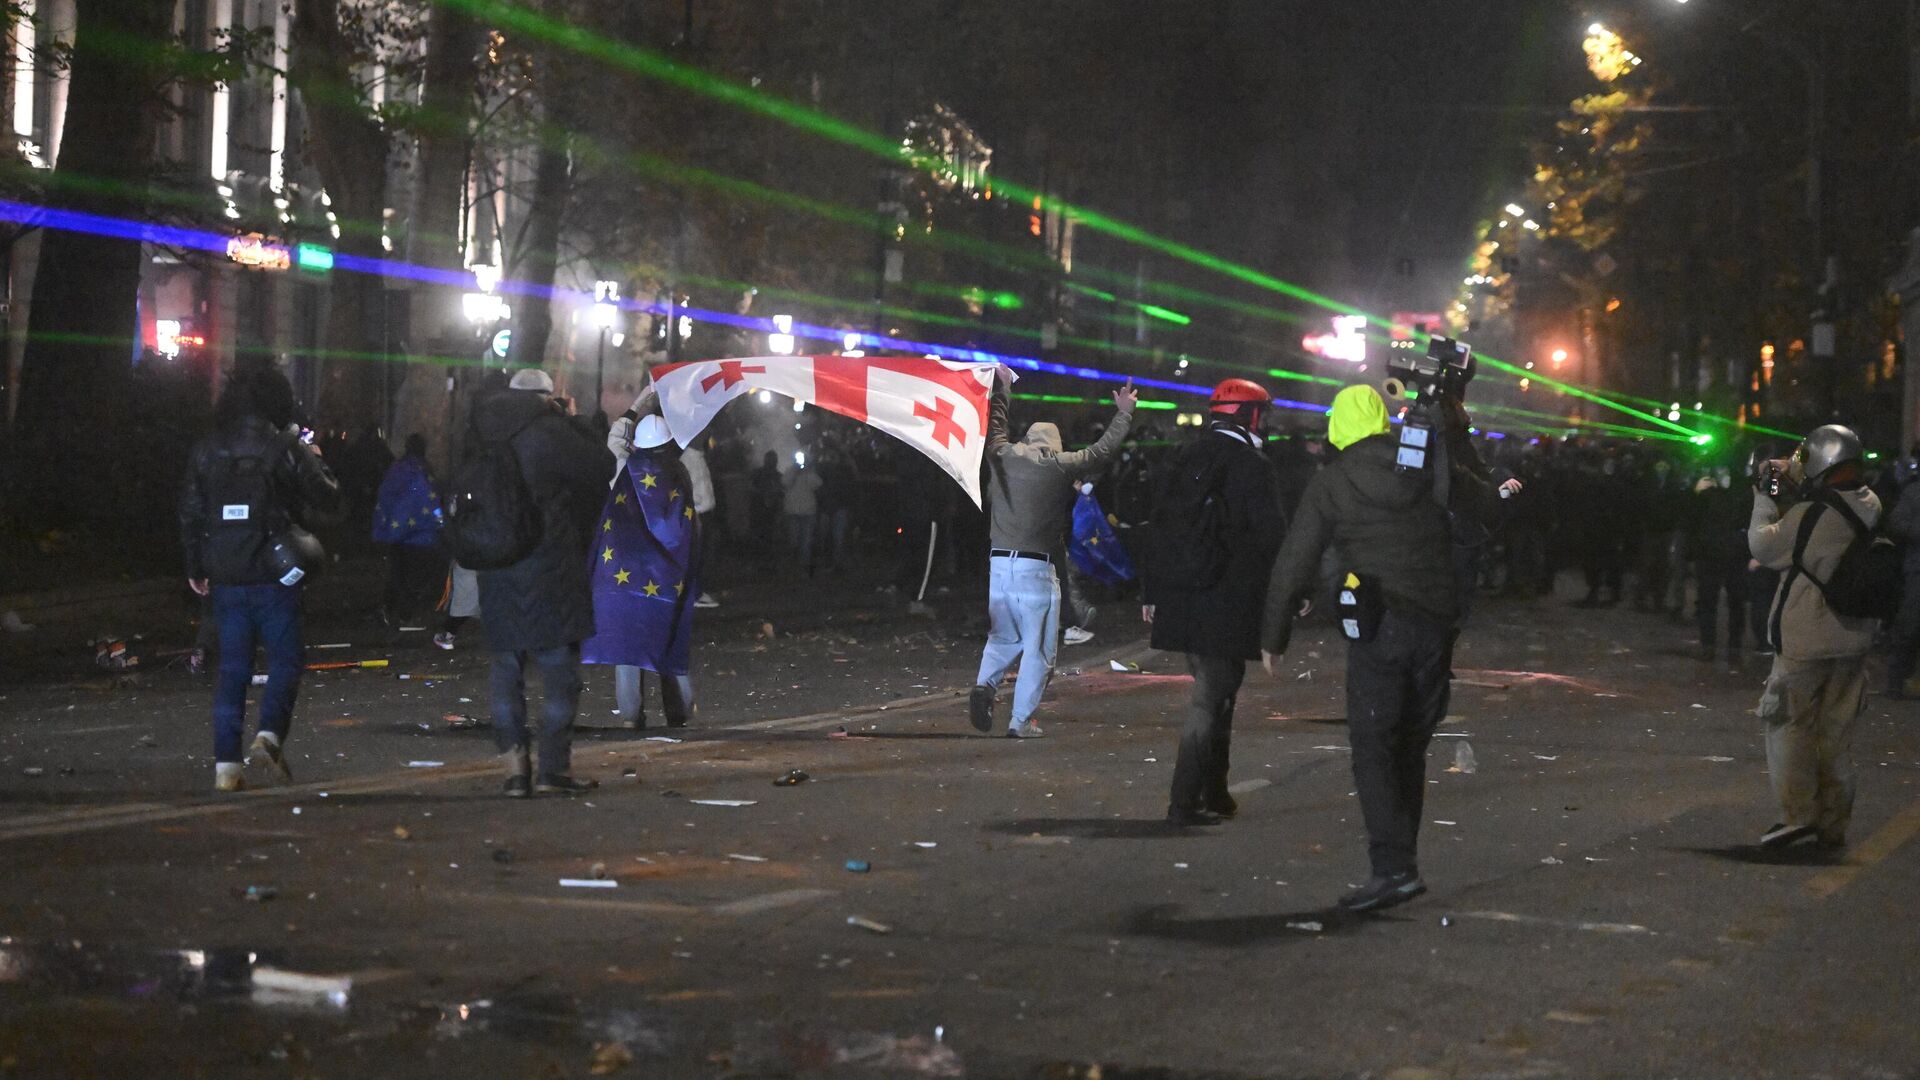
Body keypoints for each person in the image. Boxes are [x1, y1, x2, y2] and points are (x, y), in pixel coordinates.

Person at [1260, 385, 1459, 912]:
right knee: (1411, 745)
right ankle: (1402, 862)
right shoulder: (1418, 464)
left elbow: (1295, 559)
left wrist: (1273, 636)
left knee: (1373, 746)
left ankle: (1392, 868)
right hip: (1436, 621)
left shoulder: (1332, 483)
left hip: (1380, 623)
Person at [178, 366, 341, 792]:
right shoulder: (285, 446)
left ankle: (226, 767)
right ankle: (269, 734)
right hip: (275, 571)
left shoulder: (207, 449)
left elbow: (191, 513)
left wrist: (197, 567)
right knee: (287, 659)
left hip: (226, 573)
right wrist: (319, 462)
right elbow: (328, 497)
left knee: (232, 669)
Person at [1142, 378, 1282, 822]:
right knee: (1210, 698)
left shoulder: (1183, 457)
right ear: (1250, 415)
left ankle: (1215, 791)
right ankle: (1184, 799)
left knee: (1218, 690)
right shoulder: (1251, 464)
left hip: (1184, 596)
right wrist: (1290, 592)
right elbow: (1270, 536)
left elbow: (1158, 526)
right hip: (1227, 597)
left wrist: (1153, 591)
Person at [471, 368, 616, 798]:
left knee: (505, 670)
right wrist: (570, 419)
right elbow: (601, 465)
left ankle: (515, 768)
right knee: (558, 674)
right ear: (546, 398)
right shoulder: (549, 432)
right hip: (548, 564)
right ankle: (552, 769)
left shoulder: (481, 431)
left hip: (497, 564)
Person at [969, 374, 1136, 738]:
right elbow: (1102, 451)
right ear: (1055, 444)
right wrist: (1123, 413)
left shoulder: (1002, 454)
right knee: (1039, 649)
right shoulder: (1060, 464)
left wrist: (1002, 389)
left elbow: (994, 423)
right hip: (1036, 569)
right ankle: (1021, 721)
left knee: (1002, 637)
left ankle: (985, 685)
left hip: (998, 563)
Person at [1748, 424, 1881, 849]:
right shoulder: (1870, 502)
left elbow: (1763, 547)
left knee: (1789, 725)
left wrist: (1764, 498)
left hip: (1807, 637)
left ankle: (1796, 817)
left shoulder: (1814, 514)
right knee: (1835, 736)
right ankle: (1831, 822)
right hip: (1854, 636)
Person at [588, 406, 700, 730]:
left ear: (637, 444)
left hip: (623, 570)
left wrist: (634, 407)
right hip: (668, 572)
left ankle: (630, 715)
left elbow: (614, 442)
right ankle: (678, 711)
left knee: (627, 644)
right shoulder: (680, 473)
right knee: (670, 635)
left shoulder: (622, 469)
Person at [372, 434, 446, 625]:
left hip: (397, 533)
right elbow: (430, 499)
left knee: (397, 570)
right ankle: (405, 611)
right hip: (419, 535)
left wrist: (388, 523)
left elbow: (386, 496)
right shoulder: (424, 471)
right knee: (414, 574)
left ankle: (390, 606)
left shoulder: (396, 469)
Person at [1689, 463, 1750, 666]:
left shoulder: (1740, 494)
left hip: (1729, 556)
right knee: (1711, 602)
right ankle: (1712, 645)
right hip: (1713, 555)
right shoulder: (1708, 496)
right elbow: (1692, 520)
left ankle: (1730, 647)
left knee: (1733, 603)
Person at [1883, 459, 1920, 697]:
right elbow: (1897, 523)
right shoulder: (1914, 491)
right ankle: (1897, 681)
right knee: (1909, 625)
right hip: (1917, 571)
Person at [682, 441, 721, 608]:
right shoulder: (688, 459)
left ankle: (698, 589)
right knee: (696, 555)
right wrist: (694, 509)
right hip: (697, 514)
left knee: (704, 553)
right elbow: (687, 487)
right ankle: (694, 593)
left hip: (705, 512)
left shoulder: (700, 457)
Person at [783, 455, 824, 574]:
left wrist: (808, 471)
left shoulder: (809, 473)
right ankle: (795, 562)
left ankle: (803, 565)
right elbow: (785, 482)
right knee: (794, 539)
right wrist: (794, 470)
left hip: (807, 511)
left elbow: (818, 483)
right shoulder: (790, 471)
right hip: (793, 511)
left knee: (806, 540)